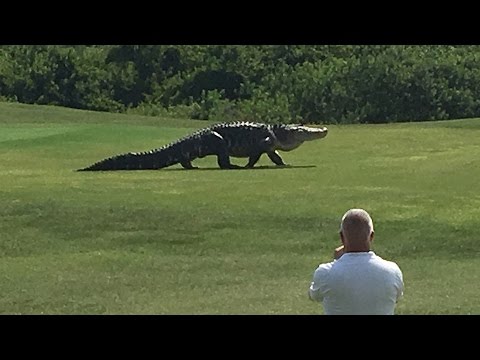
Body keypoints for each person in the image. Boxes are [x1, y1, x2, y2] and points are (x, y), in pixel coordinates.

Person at [308, 208, 404, 315]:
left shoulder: (325, 273)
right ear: (371, 236)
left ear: (341, 237)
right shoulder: (392, 271)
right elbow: (397, 297)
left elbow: (314, 295)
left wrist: (337, 261)